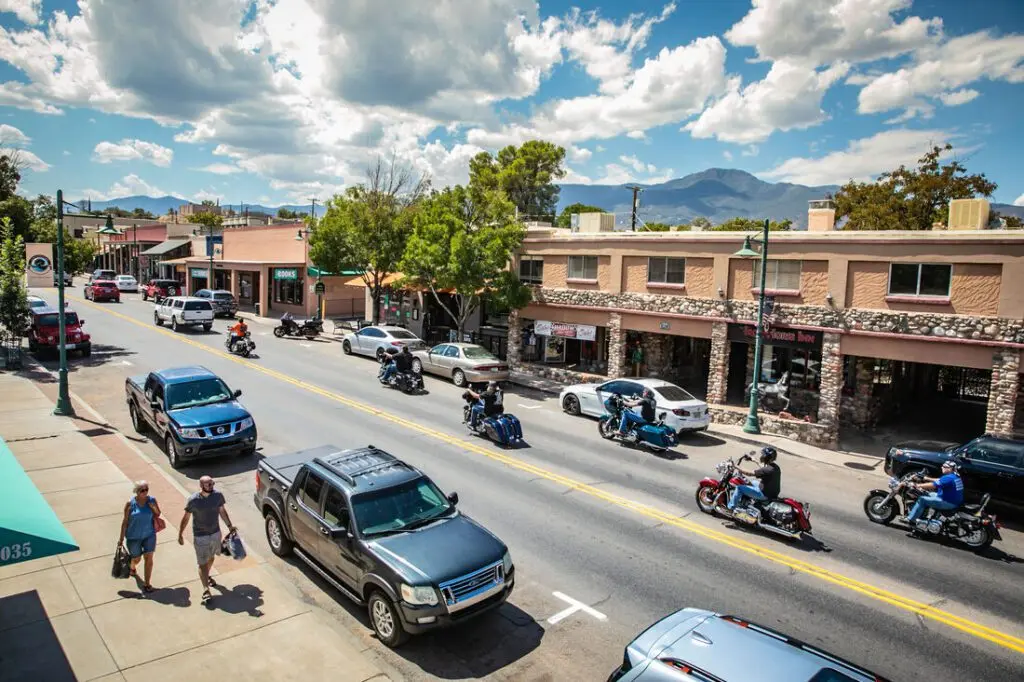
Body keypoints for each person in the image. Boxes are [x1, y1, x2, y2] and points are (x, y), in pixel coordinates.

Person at [178, 476, 236, 604]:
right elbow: (186, 518)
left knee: (211, 558)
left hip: (215, 533)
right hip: (200, 535)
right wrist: (180, 534)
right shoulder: (193, 500)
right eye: (208, 484)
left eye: (212, 483)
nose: (211, 486)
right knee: (202, 563)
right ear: (201, 485)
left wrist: (230, 526)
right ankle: (206, 589)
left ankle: (206, 576)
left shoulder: (218, 496)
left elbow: (222, 511)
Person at [118, 480, 161, 594]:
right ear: (136, 491)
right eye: (142, 490)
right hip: (133, 536)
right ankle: (132, 567)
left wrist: (153, 507)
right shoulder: (130, 504)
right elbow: (125, 522)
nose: (145, 492)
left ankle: (147, 584)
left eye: (146, 489)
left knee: (149, 558)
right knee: (137, 558)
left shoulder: (152, 500)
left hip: (149, 535)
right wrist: (121, 539)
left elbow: (158, 514)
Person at [901, 460, 964, 527]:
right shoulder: (954, 475)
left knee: (922, 499)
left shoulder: (948, 478)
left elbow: (933, 485)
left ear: (950, 469)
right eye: (943, 466)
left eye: (945, 467)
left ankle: (911, 519)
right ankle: (922, 515)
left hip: (948, 502)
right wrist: (925, 478)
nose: (942, 467)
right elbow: (939, 480)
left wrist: (917, 485)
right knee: (925, 493)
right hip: (948, 498)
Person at [728, 447, 782, 511]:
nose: (761, 456)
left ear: (766, 457)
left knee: (739, 488)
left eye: (763, 455)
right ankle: (747, 499)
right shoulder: (774, 467)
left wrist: (735, 466)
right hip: (771, 492)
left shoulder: (767, 470)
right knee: (752, 482)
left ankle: (731, 507)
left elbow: (749, 473)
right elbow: (763, 468)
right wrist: (754, 460)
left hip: (764, 494)